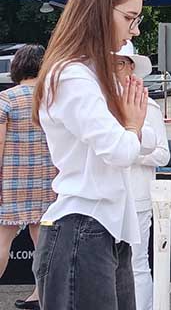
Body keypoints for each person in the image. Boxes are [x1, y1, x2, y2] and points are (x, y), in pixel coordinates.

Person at [31, 0, 155, 310]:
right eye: (130, 18)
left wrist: (133, 127)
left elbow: (142, 143)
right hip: (82, 227)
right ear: (101, 10)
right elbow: (120, 148)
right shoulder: (72, 76)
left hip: (102, 228)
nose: (135, 30)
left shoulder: (89, 74)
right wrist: (131, 126)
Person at [114, 41, 170, 310]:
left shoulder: (149, 106)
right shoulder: (99, 102)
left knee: (136, 263)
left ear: (133, 69)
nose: (117, 69)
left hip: (137, 196)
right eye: (113, 62)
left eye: (123, 63)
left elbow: (163, 154)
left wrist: (130, 151)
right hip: (107, 197)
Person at [0, 45, 57, 310]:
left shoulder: (7, 99)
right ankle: (40, 295)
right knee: (42, 243)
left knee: (3, 239)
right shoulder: (52, 99)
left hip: (11, 180)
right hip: (47, 179)